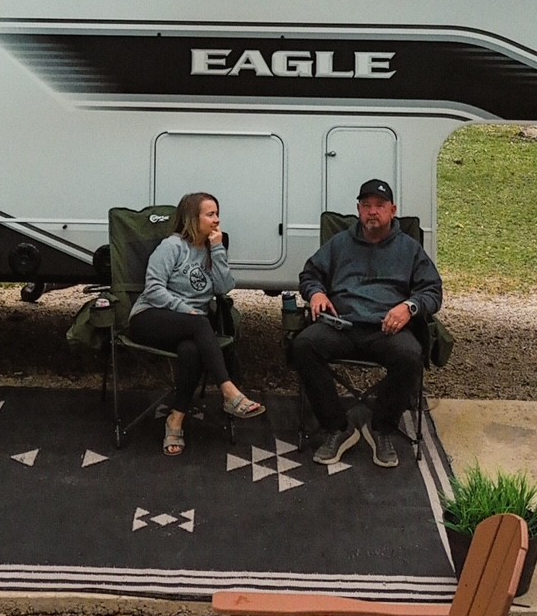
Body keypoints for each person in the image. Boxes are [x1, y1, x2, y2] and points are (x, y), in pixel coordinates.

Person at [292, 178, 442, 467]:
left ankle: (382, 427)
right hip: (341, 325)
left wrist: (409, 307)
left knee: (410, 355)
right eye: (366, 206)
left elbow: (433, 291)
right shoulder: (339, 243)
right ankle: (338, 427)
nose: (372, 212)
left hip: (387, 329)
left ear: (392, 210)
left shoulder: (409, 249)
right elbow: (309, 275)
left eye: (379, 206)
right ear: (358, 209)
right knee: (304, 345)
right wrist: (317, 292)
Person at [129, 191, 264, 455]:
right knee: (201, 323)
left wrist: (218, 250)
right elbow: (154, 288)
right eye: (210, 214)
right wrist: (185, 310)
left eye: (217, 214)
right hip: (150, 318)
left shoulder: (213, 249)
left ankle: (175, 419)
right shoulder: (173, 246)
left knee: (191, 351)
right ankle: (229, 392)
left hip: (189, 328)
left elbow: (224, 287)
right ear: (193, 218)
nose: (216, 220)